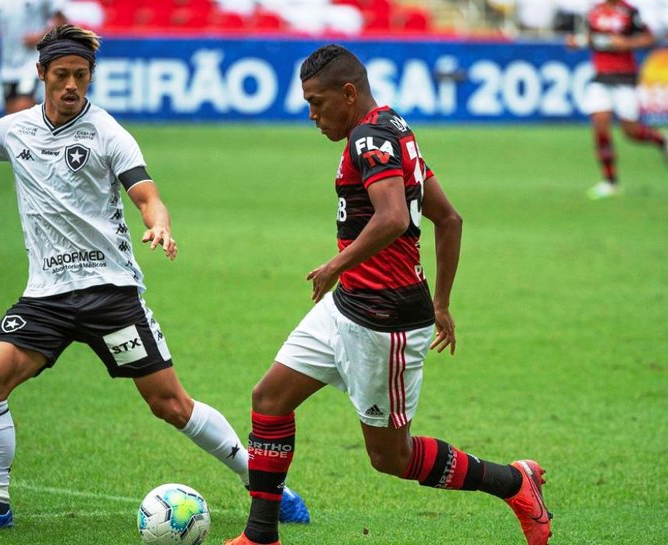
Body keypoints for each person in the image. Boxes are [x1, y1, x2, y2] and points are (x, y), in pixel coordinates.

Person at [0, 24, 308, 530]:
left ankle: (267, 485)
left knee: (170, 403)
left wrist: (160, 225)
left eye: (81, 75)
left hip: (109, 293)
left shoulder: (106, 131)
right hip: (46, 299)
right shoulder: (11, 130)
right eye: (61, 75)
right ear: (41, 74)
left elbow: (146, 194)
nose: (72, 85)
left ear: (91, 76)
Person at [224, 44, 552, 545]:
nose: (312, 115)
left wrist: (335, 264)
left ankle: (514, 482)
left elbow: (395, 216)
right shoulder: (395, 127)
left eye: (317, 102)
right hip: (347, 307)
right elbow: (449, 218)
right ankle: (260, 535)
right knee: (269, 399)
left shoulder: (368, 139)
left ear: (349, 92)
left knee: (390, 459)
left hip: (385, 322)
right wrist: (441, 303)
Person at [566, 0, 668, 200]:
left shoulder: (630, 12)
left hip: (624, 78)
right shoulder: (594, 12)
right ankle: (610, 182)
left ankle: (661, 140)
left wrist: (627, 44)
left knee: (631, 132)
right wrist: (577, 42)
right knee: (600, 124)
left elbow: (650, 38)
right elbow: (591, 38)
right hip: (601, 76)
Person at [0, 0, 68, 114]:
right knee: (11, 118)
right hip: (7, 65)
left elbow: (61, 21)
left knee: (24, 114)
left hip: (33, 63)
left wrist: (41, 37)